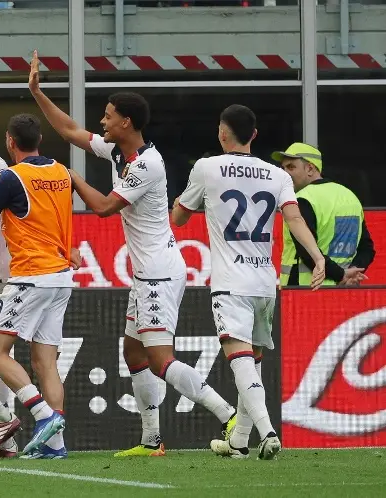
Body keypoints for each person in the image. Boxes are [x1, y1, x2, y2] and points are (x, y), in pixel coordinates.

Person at [29, 50, 237, 457]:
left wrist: (71, 179)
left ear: (125, 122)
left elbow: (105, 208)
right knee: (133, 351)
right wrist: (37, 91)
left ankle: (229, 414)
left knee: (160, 359)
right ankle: (151, 440)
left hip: (159, 273)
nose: (101, 122)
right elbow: (72, 131)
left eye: (107, 116)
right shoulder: (119, 152)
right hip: (147, 274)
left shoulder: (147, 165)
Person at [172, 104, 326, 460]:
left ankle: (267, 431)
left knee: (240, 361)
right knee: (252, 364)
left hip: (230, 282)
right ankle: (238, 440)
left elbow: (179, 218)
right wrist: (318, 258)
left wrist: (184, 200)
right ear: (254, 135)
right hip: (264, 282)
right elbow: (294, 218)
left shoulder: (206, 167)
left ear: (222, 133)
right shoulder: (278, 175)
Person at [0, 113, 79, 458]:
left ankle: (43, 416)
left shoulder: (11, 177)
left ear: (10, 141)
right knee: (45, 362)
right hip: (61, 276)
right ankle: (56, 446)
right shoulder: (61, 171)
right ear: (39, 139)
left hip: (30, 276)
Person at [271, 142, 373, 287]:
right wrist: (351, 272)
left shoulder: (302, 199)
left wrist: (341, 275)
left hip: (305, 289)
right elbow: (367, 248)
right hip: (346, 290)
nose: (285, 173)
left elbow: (307, 251)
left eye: (291, 167)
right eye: (283, 168)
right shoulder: (350, 197)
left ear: (310, 168)